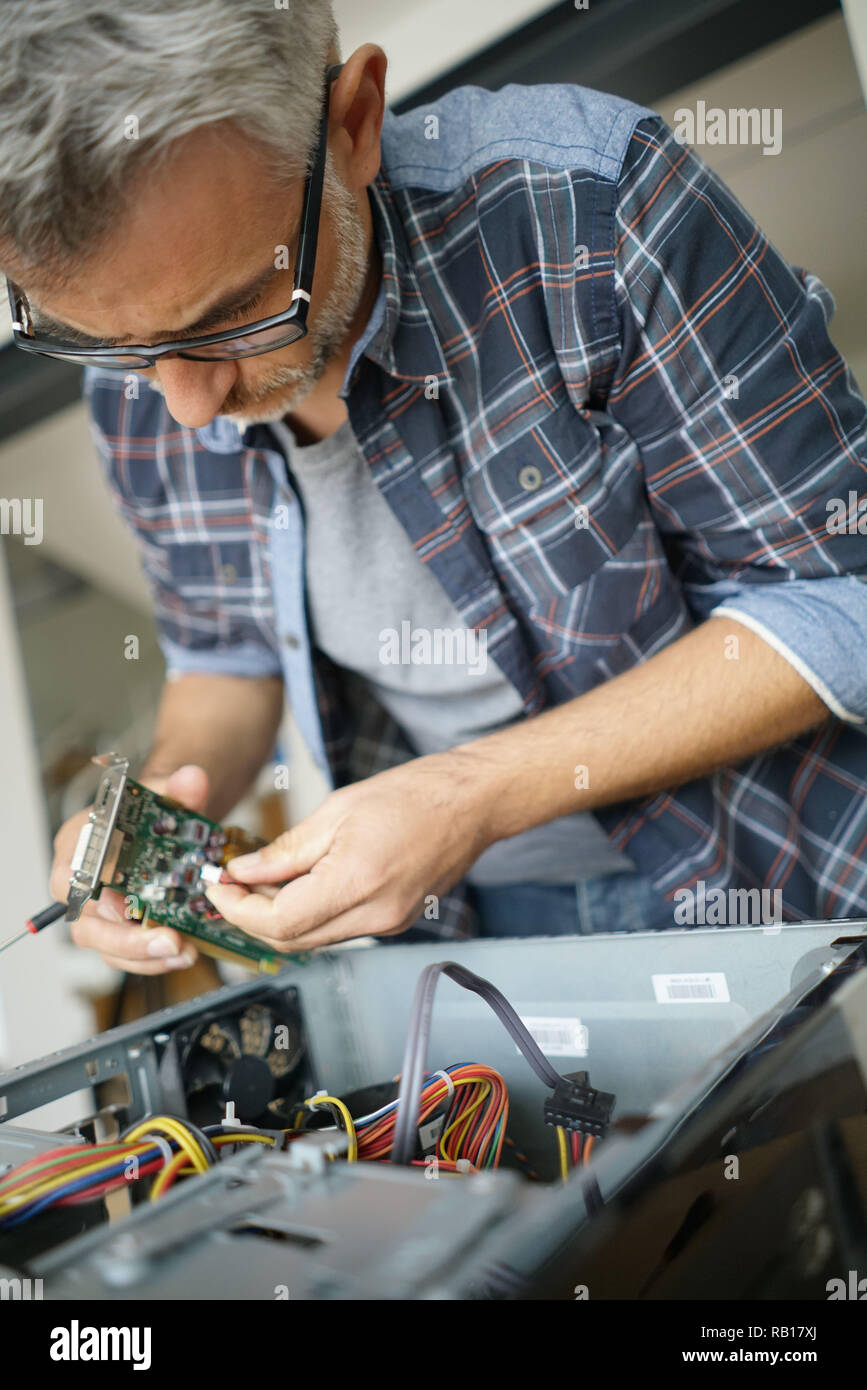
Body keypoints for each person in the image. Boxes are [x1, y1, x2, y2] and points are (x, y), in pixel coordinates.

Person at [1, 1, 864, 974]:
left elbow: (841, 597)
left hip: (767, 874)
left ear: (356, 121)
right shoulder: (143, 382)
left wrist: (471, 792)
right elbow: (224, 654)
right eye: (124, 348)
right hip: (455, 928)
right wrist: (151, 804)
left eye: (236, 310)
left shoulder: (595, 210)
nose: (185, 405)